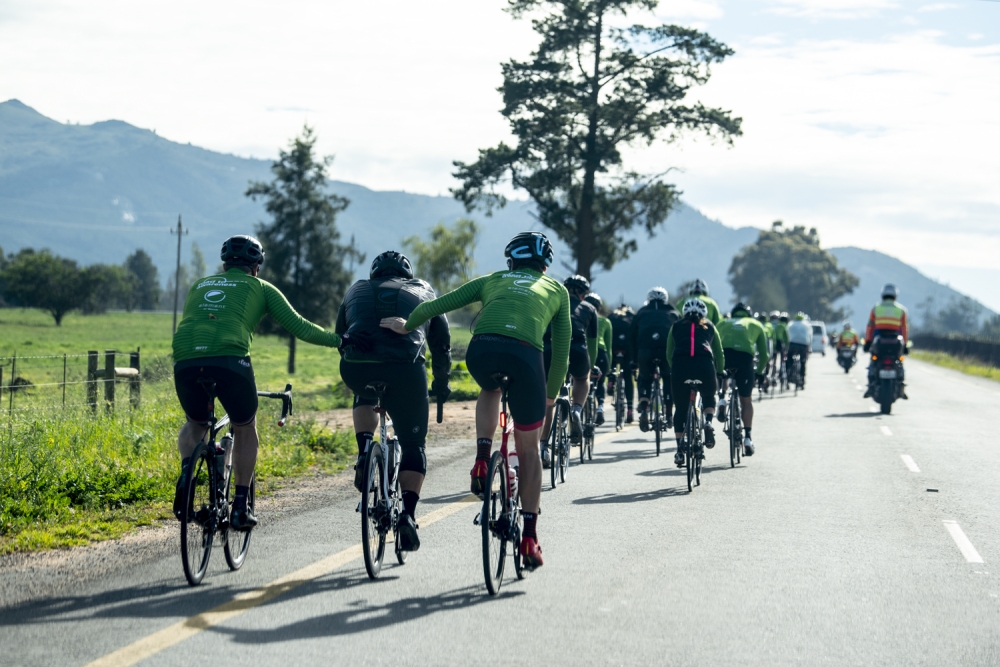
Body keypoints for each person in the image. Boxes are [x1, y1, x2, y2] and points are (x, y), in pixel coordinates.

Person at [380, 231, 570, 570]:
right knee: (528, 452)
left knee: (491, 389)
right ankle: (529, 536)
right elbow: (562, 355)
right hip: (526, 360)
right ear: (545, 266)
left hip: (482, 352)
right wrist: (551, 398)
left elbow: (435, 305)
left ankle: (483, 458)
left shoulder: (493, 279)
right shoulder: (557, 290)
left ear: (511, 261)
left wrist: (407, 324)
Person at [172, 235, 361, 531]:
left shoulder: (200, 285)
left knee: (196, 424)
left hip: (184, 360)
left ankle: (186, 474)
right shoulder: (260, 287)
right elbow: (300, 326)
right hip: (231, 360)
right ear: (256, 266)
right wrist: (340, 340)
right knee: (245, 426)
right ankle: (239, 506)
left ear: (224, 264)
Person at [335, 250, 451, 551]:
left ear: (375, 274)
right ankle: (408, 517)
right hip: (406, 370)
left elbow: (340, 334)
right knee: (414, 446)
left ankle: (364, 452)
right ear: (407, 275)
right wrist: (441, 382)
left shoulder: (356, 288)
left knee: (365, 388)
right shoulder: (423, 289)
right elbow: (442, 343)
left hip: (355, 368)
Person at [666, 298, 725, 467]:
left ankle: (679, 450)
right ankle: (707, 421)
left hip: (680, 368)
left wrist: (675, 369)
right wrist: (720, 372)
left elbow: (669, 353)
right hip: (704, 367)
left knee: (681, 409)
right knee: (708, 396)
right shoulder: (710, 326)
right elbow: (719, 353)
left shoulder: (676, 326)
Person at [543, 275, 598, 445]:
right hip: (577, 349)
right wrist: (592, 365)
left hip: (550, 348)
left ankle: (543, 446)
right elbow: (592, 343)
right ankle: (576, 409)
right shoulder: (589, 307)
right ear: (583, 294)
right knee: (582, 378)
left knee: (549, 399)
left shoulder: (551, 302)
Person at [717, 303, 769, 456]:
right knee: (746, 400)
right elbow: (764, 355)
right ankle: (747, 437)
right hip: (745, 359)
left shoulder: (722, 322)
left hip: (725, 356)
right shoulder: (756, 324)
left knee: (723, 374)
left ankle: (721, 398)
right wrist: (759, 373)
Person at [629, 287, 679, 432]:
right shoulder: (674, 313)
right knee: (668, 379)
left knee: (644, 378)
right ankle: (669, 415)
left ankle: (644, 407)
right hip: (665, 351)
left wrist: (634, 360)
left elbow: (631, 336)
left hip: (646, 351)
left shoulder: (641, 313)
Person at [863, 283, 909, 398]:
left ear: (883, 294)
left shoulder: (876, 308)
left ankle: (870, 386)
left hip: (879, 341)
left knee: (873, 362)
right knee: (899, 362)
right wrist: (906, 345)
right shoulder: (901, 310)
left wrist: (868, 342)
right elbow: (904, 329)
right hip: (895, 342)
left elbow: (870, 327)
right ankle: (901, 386)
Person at [585, 292, 613, 426]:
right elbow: (609, 346)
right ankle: (600, 405)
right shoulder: (606, 321)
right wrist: (609, 367)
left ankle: (581, 407)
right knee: (600, 382)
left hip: (584, 351)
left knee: (582, 380)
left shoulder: (580, 315)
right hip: (602, 353)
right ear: (599, 308)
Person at [609, 304, 637, 423]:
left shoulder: (611, 317)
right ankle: (630, 409)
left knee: (613, 364)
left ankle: (611, 380)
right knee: (627, 376)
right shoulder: (631, 318)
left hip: (614, 346)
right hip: (627, 348)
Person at [786, 312, 813, 387]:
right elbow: (810, 337)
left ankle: (789, 374)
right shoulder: (807, 325)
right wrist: (810, 348)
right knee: (803, 362)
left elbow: (787, 334)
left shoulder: (791, 324)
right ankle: (802, 378)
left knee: (789, 359)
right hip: (803, 345)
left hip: (792, 344)